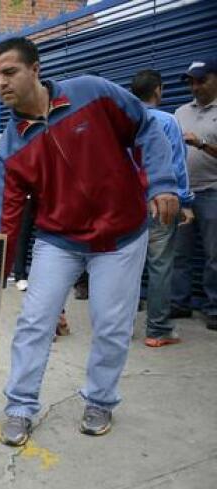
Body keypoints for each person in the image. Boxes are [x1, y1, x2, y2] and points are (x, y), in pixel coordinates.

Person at [0, 37, 178, 445]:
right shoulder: (11, 146)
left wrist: (162, 183)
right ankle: (20, 407)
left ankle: (100, 401)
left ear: (35, 69)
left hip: (122, 236)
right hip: (58, 240)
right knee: (34, 323)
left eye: (9, 72)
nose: (1, 83)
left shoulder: (91, 92)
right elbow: (6, 216)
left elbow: (144, 126)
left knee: (111, 326)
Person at [130, 69, 196, 345]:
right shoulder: (167, 121)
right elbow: (176, 165)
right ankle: (157, 330)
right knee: (160, 264)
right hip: (159, 201)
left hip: (127, 204)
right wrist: (186, 201)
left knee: (126, 265)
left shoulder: (123, 119)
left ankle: (120, 327)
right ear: (158, 90)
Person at [172, 56, 217, 331]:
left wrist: (201, 144)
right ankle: (179, 303)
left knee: (215, 255)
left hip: (213, 191)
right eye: (191, 82)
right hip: (183, 194)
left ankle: (213, 308)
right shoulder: (180, 112)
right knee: (179, 253)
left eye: (202, 80)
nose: (195, 87)